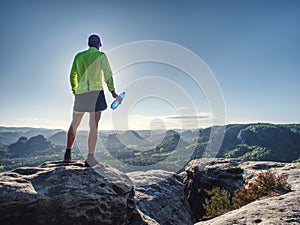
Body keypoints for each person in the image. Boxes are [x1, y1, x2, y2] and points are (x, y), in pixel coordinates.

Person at [63, 34, 122, 167]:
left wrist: (75, 90)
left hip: (81, 93)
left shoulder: (78, 56)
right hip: (96, 93)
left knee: (74, 124)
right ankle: (90, 158)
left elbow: (72, 74)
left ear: (88, 44)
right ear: (99, 45)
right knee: (93, 126)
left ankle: (67, 154)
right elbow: (108, 75)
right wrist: (113, 92)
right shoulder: (101, 56)